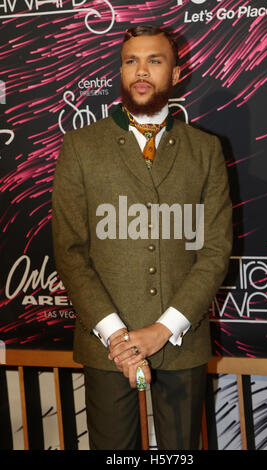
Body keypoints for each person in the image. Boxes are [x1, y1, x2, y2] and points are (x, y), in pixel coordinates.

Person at [52, 25, 232, 450]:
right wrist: (117, 336)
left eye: (155, 60)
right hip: (106, 345)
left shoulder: (205, 150)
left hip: (182, 342)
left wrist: (165, 329)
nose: (141, 71)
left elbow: (215, 249)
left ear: (175, 72)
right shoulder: (81, 146)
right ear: (120, 71)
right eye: (131, 60)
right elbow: (71, 250)